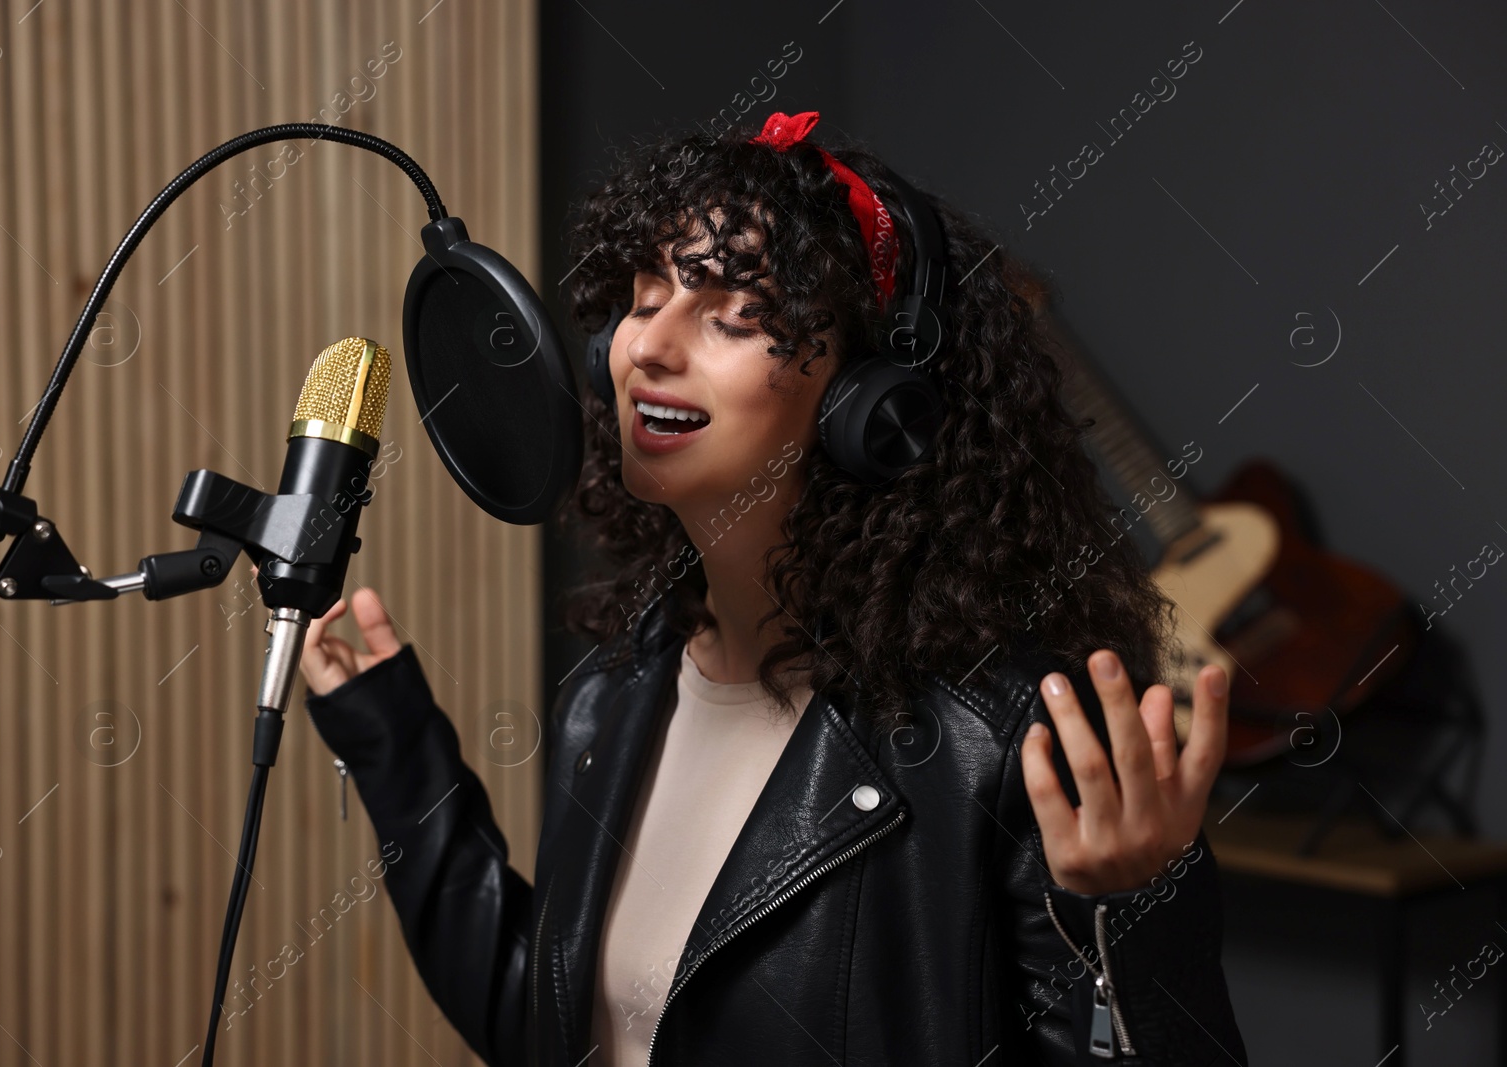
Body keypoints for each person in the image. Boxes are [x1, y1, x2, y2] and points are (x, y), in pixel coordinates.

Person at [297, 110, 1249, 1065]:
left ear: (869, 400)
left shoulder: (1008, 741)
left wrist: (1134, 922)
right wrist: (395, 742)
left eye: (732, 313)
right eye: (647, 294)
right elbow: (549, 1029)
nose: (646, 348)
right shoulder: (613, 697)